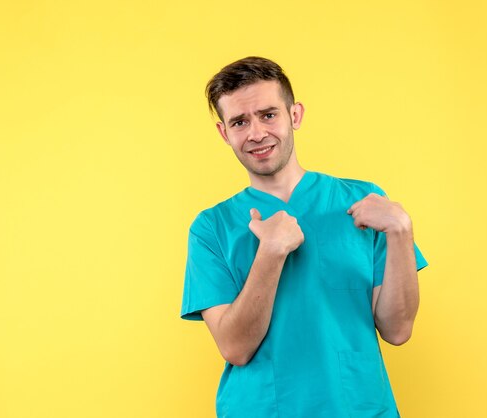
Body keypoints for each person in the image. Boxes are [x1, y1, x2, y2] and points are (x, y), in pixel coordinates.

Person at [180, 56, 428, 418]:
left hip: (359, 407)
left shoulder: (363, 203)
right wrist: (271, 253)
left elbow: (398, 329)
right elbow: (235, 348)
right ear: (224, 133)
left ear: (294, 115)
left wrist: (401, 231)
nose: (256, 133)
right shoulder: (211, 228)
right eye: (239, 122)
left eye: (268, 115)